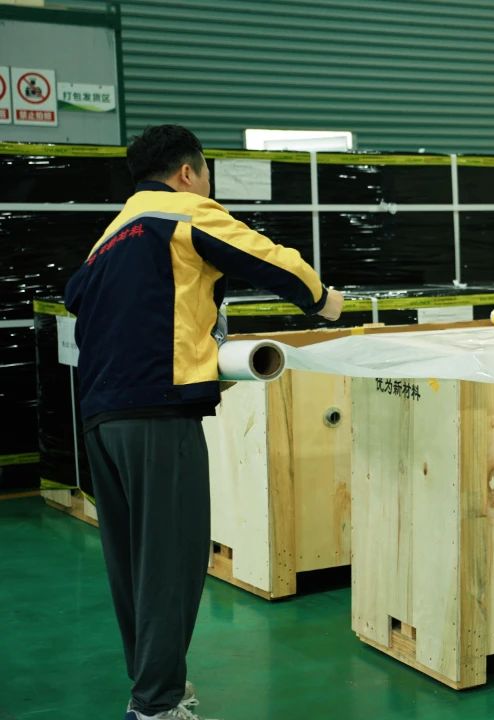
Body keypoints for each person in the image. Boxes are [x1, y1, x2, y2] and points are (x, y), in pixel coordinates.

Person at [64, 125, 344, 719]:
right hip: (158, 414)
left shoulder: (108, 238)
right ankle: (157, 705)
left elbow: (80, 302)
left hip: (98, 417)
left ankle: (152, 688)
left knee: (133, 562)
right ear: (187, 172)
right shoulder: (184, 213)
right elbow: (270, 259)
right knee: (172, 559)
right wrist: (323, 300)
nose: (209, 186)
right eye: (207, 174)